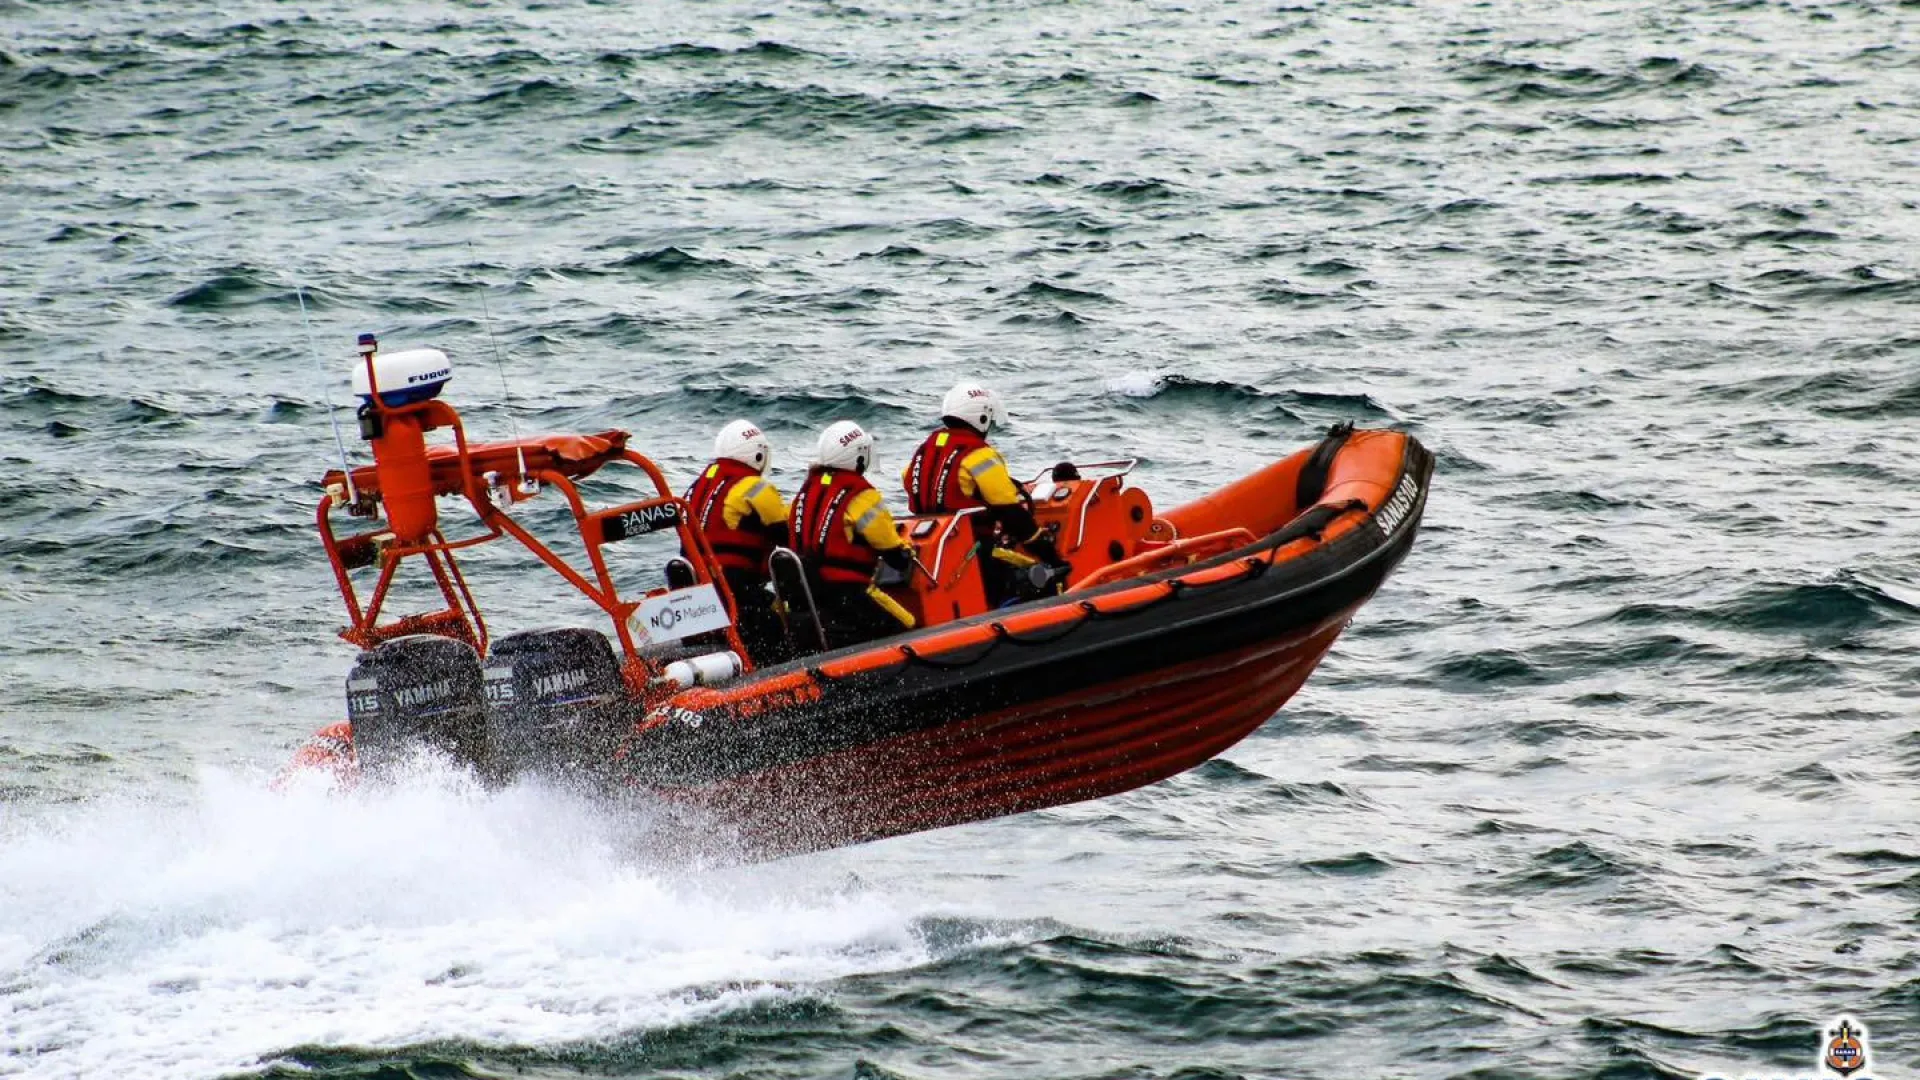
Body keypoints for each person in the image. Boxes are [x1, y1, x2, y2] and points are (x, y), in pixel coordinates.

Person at [902, 382, 1070, 602]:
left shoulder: (923, 452)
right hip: (976, 554)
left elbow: (911, 483)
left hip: (933, 553)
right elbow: (1013, 515)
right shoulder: (979, 455)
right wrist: (1051, 556)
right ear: (981, 418)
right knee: (1040, 578)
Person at [788, 420, 915, 649]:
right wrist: (907, 553)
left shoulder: (805, 493)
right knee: (907, 624)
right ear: (858, 457)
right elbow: (892, 552)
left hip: (810, 594)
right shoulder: (862, 496)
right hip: (847, 596)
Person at [684, 419, 790, 665]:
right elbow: (787, 537)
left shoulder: (696, 486)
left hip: (698, 593)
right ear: (757, 454)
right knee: (777, 626)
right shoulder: (755, 487)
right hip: (736, 591)